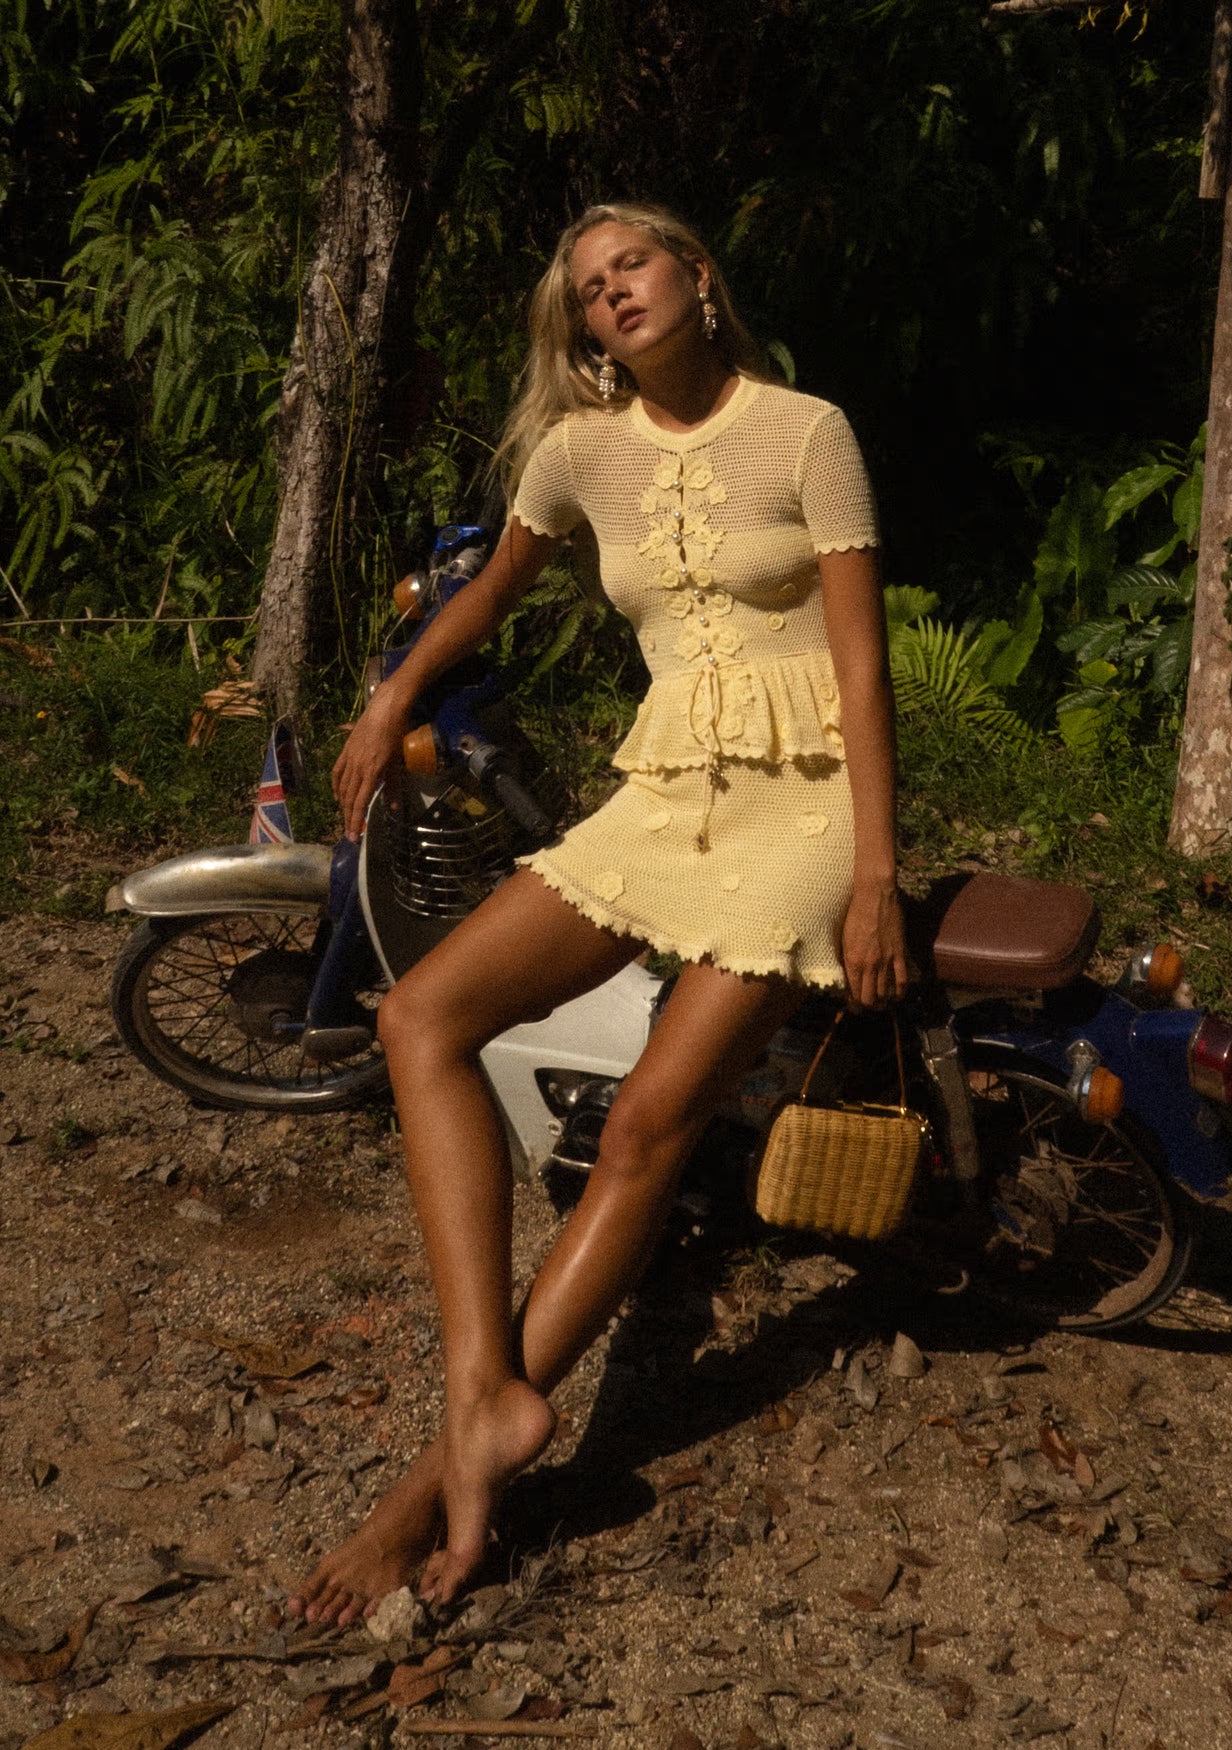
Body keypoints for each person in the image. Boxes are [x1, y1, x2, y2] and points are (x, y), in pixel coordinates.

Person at [286, 201, 908, 1625]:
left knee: (644, 1124)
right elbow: (494, 587)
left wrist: (874, 870)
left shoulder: (808, 431)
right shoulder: (577, 453)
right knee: (419, 1013)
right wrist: (389, 697)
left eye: (629, 266)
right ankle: (480, 1396)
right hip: (660, 793)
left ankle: (417, 1497)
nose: (607, 294)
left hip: (798, 804)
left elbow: (862, 675)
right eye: (585, 287)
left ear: (696, 277)